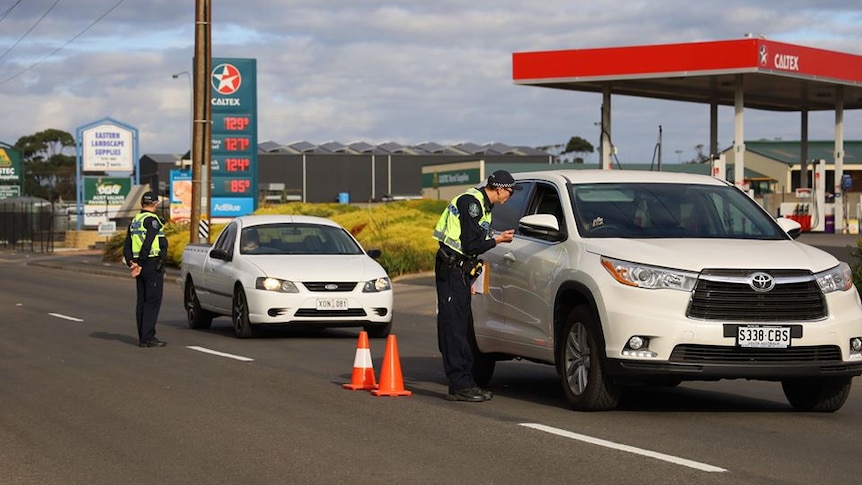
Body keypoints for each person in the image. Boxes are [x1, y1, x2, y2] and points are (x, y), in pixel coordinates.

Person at [432, 170, 519, 402]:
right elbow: (471, 244)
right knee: (454, 328)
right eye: (510, 191)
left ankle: (465, 382)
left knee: (461, 327)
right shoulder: (471, 203)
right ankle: (459, 384)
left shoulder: (481, 204)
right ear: (499, 188)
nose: (510, 196)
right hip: (452, 270)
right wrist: (498, 240)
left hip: (460, 270)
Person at [123, 191, 168, 348]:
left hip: (139, 265)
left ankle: (143, 337)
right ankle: (148, 336)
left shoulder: (135, 220)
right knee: (152, 301)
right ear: (155, 204)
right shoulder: (153, 220)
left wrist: (132, 263)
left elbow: (127, 245)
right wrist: (141, 263)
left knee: (142, 301)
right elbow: (148, 243)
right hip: (149, 264)